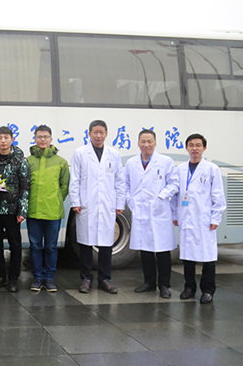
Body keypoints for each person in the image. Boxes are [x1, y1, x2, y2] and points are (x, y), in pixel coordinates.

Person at [69, 120, 124, 294]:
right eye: (95, 132)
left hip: (107, 205)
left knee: (106, 244)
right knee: (86, 244)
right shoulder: (80, 153)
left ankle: (104, 279)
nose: (98, 136)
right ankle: (86, 278)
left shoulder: (114, 154)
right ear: (89, 134)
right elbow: (75, 179)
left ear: (106, 134)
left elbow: (119, 181)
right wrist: (75, 202)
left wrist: (120, 203)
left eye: (101, 132)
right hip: (87, 204)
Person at [173, 133, 227, 304]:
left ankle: (208, 290)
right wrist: (175, 215)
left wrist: (215, 218)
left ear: (204, 148)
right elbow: (176, 194)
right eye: (191, 145)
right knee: (187, 256)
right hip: (186, 217)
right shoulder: (180, 169)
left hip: (204, 219)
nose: (194, 148)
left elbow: (218, 195)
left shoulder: (211, 169)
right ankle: (189, 287)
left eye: (198, 145)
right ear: (186, 148)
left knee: (208, 257)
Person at [124, 129, 178, 299]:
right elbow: (125, 185)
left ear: (155, 143)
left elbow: (174, 184)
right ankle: (149, 282)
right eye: (143, 141)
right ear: (138, 143)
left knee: (162, 250)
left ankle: (164, 285)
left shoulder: (165, 162)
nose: (146, 145)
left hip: (159, 211)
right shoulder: (131, 163)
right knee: (145, 249)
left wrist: (161, 196)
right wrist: (129, 200)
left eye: (149, 141)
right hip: (140, 211)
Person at [0, 126, 30, 293]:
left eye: (6, 137)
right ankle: (0, 277)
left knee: (15, 246)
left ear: (12, 139)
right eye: (0, 138)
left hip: (12, 211)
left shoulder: (20, 160)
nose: (3, 141)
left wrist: (22, 211)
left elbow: (25, 187)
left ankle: (13, 279)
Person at [26, 125, 69, 293]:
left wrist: (56, 199)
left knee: (51, 247)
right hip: (33, 211)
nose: (42, 139)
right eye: (39, 136)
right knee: (35, 246)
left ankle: (49, 278)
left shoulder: (61, 162)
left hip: (53, 212)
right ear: (35, 139)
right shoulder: (28, 161)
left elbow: (64, 186)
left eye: (45, 136)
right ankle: (37, 278)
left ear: (51, 139)